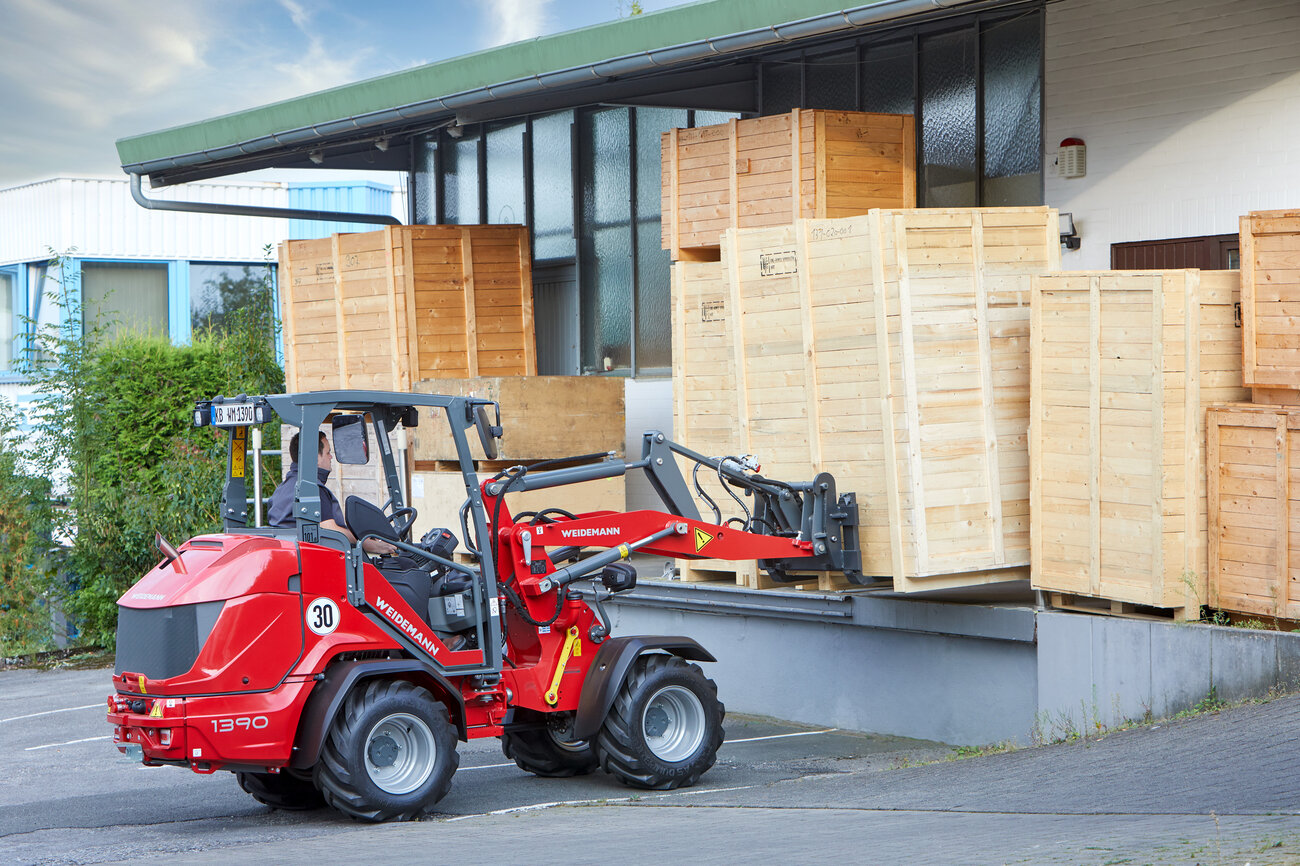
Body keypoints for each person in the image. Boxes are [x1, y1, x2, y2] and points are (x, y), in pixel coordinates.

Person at [268, 430, 397, 556]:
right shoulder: (311, 490)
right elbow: (331, 531)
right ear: (314, 457)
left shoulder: (282, 489)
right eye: (328, 452)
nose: (331, 457)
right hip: (319, 564)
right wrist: (369, 544)